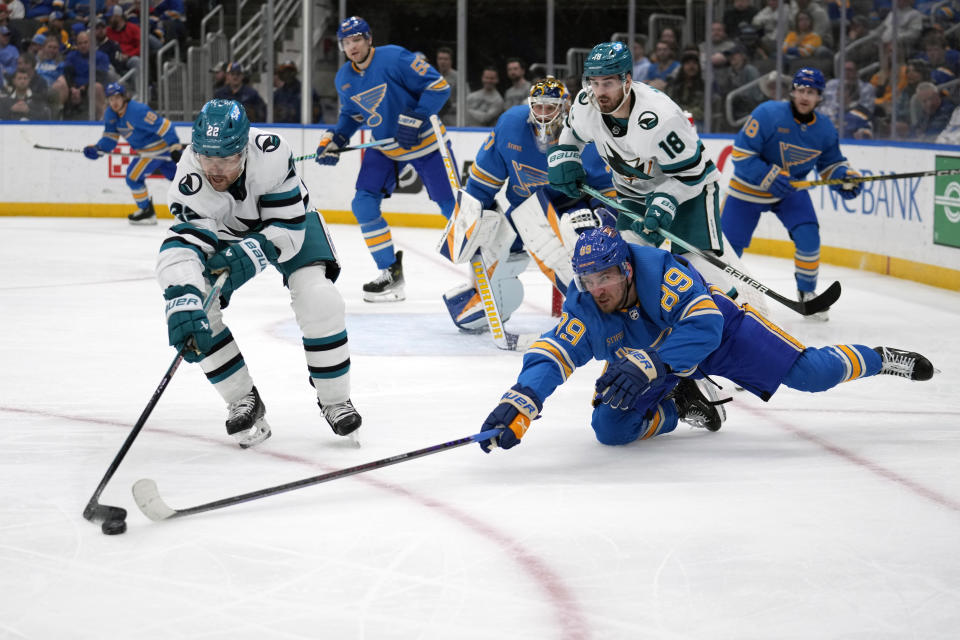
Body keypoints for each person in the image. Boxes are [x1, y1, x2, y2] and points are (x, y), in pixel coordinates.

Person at [476, 226, 935, 452]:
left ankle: (879, 357)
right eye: (588, 278)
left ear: (628, 269)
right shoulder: (587, 306)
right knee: (611, 430)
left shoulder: (662, 272)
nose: (598, 288)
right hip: (656, 360)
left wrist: (652, 362)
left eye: (607, 276)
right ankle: (680, 402)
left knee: (812, 375)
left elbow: (705, 326)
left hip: (723, 335)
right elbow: (553, 353)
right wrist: (520, 402)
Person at [157, 98, 361, 448]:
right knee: (200, 314)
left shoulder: (271, 153)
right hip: (224, 234)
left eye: (226, 159)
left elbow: (288, 229)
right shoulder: (189, 174)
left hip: (292, 224)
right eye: (208, 158)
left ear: (245, 149)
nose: (215, 170)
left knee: (320, 299)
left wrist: (254, 250)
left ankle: (335, 399)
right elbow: (182, 245)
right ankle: (242, 398)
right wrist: (182, 296)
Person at [548, 41, 769, 315]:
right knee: (628, 262)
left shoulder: (661, 118)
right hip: (634, 194)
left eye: (607, 83)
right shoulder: (586, 103)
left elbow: (693, 173)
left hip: (690, 191)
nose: (599, 92)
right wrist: (566, 155)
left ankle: (742, 321)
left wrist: (667, 199)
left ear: (627, 80)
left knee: (697, 266)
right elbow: (572, 132)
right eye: (594, 82)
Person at [439, 76, 616, 333]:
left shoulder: (584, 133)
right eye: (538, 106)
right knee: (494, 244)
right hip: (524, 210)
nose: (543, 114)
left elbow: (607, 189)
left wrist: (605, 214)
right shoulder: (512, 124)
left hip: (571, 207)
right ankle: (488, 301)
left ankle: (597, 309)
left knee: (577, 249)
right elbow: (483, 182)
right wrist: (472, 216)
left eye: (550, 106)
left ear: (565, 106)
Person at [314, 16, 454, 302]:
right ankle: (390, 272)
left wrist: (415, 118)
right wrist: (336, 139)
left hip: (426, 143)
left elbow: (439, 87)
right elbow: (352, 116)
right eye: (346, 42)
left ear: (368, 39)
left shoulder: (395, 58)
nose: (352, 46)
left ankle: (483, 264)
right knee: (363, 204)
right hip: (386, 147)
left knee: (451, 207)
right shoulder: (344, 77)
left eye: (356, 39)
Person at [720, 68, 861, 321]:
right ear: (793, 91)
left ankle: (807, 293)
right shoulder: (767, 114)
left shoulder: (825, 129)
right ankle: (718, 292)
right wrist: (769, 176)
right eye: (801, 90)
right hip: (747, 191)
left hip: (789, 191)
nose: (805, 96)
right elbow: (741, 154)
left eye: (812, 92)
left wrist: (844, 178)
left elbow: (831, 164)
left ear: (819, 97)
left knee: (809, 236)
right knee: (728, 249)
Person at [82, 82, 182, 224]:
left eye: (117, 98)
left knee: (133, 177)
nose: (114, 102)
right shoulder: (110, 114)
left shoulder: (138, 111)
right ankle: (195, 207)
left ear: (124, 97)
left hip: (156, 149)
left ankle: (146, 211)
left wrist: (174, 147)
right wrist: (98, 149)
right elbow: (110, 138)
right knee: (178, 178)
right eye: (110, 99)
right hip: (147, 151)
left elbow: (165, 126)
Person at [62, 29, 108, 119]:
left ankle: (102, 120)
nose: (83, 46)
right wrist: (73, 88)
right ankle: (54, 119)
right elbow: (68, 74)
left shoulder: (101, 57)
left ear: (91, 43)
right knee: (60, 83)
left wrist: (83, 88)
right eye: (80, 43)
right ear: (76, 45)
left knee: (96, 87)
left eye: (85, 42)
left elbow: (100, 77)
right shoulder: (71, 56)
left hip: (91, 87)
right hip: (74, 88)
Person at [434, 46, 460, 126]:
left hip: (453, 119)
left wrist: (448, 107)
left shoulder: (459, 77)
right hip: (435, 118)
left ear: (451, 61)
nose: (442, 62)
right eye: (440, 59)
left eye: (445, 59)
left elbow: (465, 101)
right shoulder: (433, 76)